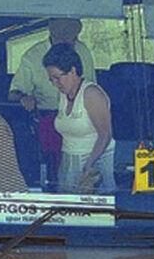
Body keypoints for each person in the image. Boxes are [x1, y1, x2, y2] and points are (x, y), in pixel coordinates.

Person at [9, 18, 97, 187]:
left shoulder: (83, 51)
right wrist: (24, 98)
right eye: (64, 39)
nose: (69, 43)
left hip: (80, 119)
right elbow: (13, 93)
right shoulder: (32, 56)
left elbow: (92, 89)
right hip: (45, 121)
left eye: (72, 39)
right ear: (53, 36)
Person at [42, 43, 116, 193]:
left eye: (57, 78)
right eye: (51, 80)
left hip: (93, 164)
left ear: (73, 71)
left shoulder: (92, 94)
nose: (55, 84)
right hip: (68, 162)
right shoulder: (63, 94)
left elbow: (105, 134)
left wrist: (89, 165)